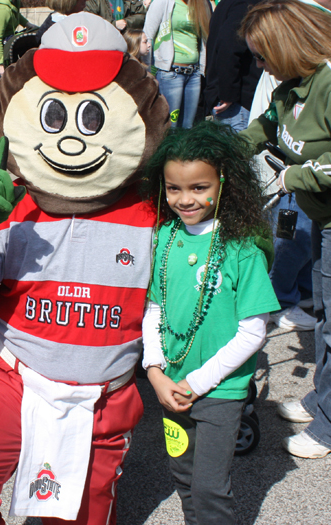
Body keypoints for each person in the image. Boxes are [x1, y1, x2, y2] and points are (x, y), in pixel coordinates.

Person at [0, 12, 169, 524]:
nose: (71, 140)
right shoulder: (12, 204)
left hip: (102, 400)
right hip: (14, 380)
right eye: (55, 116)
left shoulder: (153, 212)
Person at [141, 121, 279, 524]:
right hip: (171, 387)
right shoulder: (164, 237)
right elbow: (154, 309)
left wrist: (198, 382)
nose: (185, 199)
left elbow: (254, 330)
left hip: (219, 390)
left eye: (199, 187)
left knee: (210, 487)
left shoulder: (241, 248)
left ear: (224, 184)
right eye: (174, 188)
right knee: (183, 475)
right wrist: (155, 372)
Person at [240, 0, 331, 458]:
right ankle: (324, 399)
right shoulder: (289, 88)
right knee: (324, 316)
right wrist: (229, 149)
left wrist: (293, 177)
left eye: (262, 55)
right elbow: (266, 125)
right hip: (321, 214)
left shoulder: (330, 85)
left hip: (327, 210)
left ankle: (330, 426)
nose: (259, 65)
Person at [143, 0, 211, 128]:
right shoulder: (162, 2)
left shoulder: (200, 4)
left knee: (188, 127)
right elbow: (148, 36)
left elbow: (204, 39)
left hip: (194, 74)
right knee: (170, 127)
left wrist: (202, 69)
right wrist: (147, 72)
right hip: (171, 74)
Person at [204, 0, 262, 132]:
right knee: (237, 150)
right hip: (237, 102)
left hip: (233, 98)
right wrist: (228, 93)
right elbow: (228, 46)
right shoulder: (245, 4)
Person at [0, 0, 33, 112]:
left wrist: (27, 24)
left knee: (6, 83)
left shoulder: (14, 3)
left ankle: (6, 116)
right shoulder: (2, 10)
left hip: (3, 43)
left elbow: (15, 13)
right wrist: (0, 64)